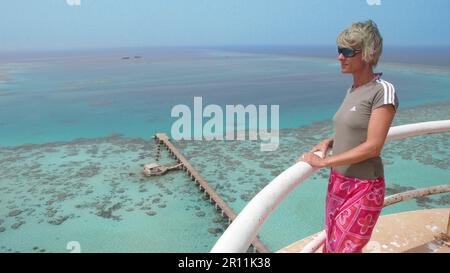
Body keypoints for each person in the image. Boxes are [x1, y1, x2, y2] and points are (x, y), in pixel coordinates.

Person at [298, 20, 399, 253]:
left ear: (367, 53)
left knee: (344, 250)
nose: (340, 57)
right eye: (339, 51)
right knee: (332, 246)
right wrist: (329, 142)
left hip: (363, 187)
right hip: (338, 183)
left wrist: (323, 162)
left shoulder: (382, 91)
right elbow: (354, 129)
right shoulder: (353, 91)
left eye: (347, 52)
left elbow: (373, 146)